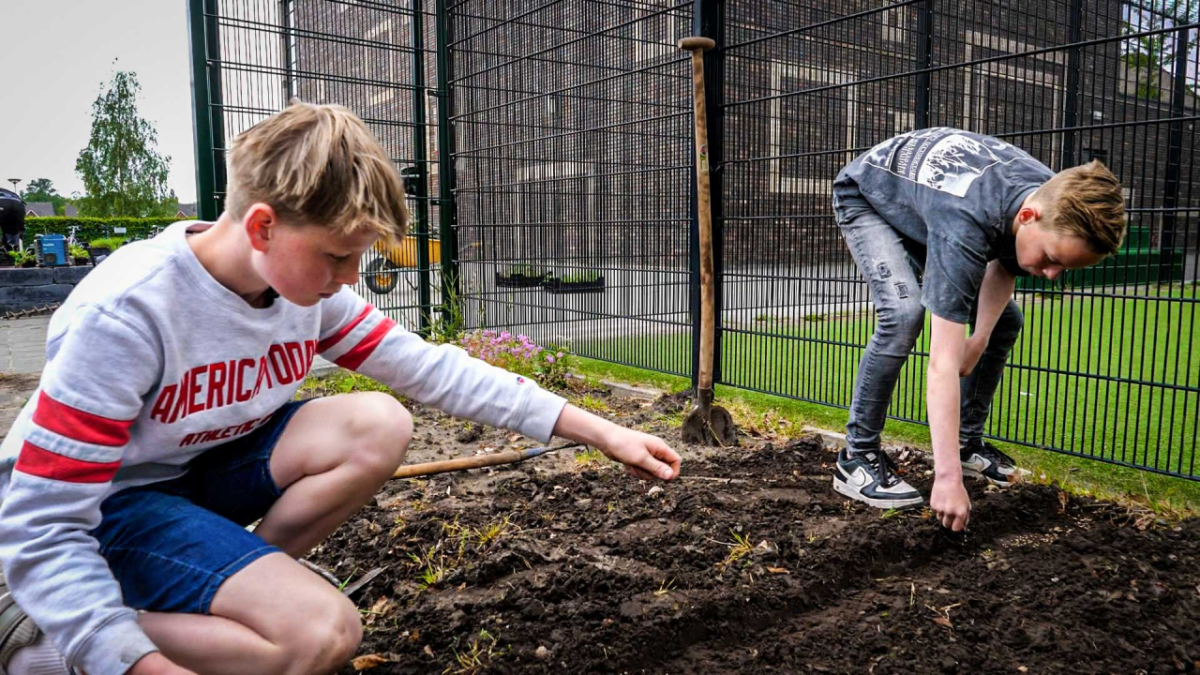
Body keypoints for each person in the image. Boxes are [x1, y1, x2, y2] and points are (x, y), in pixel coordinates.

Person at [0, 102, 682, 675]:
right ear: (263, 225)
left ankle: (234, 586)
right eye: (337, 255)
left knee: (377, 423)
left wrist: (601, 430)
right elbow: (45, 522)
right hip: (109, 505)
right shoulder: (129, 312)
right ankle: (44, 645)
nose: (350, 277)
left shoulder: (301, 291)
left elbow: (432, 369)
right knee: (320, 635)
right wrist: (130, 659)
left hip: (191, 474)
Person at [829, 127, 1126, 532]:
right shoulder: (966, 222)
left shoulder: (1047, 195)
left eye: (1063, 268)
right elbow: (941, 365)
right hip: (870, 195)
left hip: (932, 202)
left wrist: (980, 337)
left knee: (1007, 321)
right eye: (1052, 258)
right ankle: (856, 458)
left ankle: (967, 443)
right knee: (903, 314)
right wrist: (945, 480)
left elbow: (1007, 261)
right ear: (1027, 216)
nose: (1053, 275)